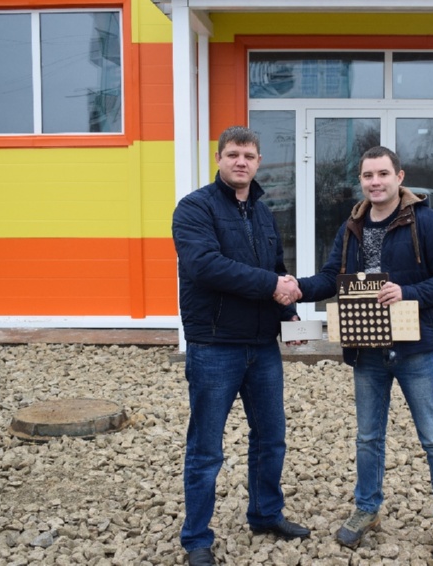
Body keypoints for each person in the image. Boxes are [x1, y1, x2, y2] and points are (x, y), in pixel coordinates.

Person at [292, 146, 433, 563]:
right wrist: (294, 288)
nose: (375, 182)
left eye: (383, 174)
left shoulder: (426, 221)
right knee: (368, 437)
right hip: (366, 349)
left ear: (399, 177)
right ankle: (367, 508)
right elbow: (330, 278)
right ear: (361, 180)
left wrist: (408, 292)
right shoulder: (351, 226)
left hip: (415, 349)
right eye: (368, 175)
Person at [171, 126, 309, 566]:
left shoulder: (264, 213)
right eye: (233, 154)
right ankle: (196, 538)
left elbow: (277, 268)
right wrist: (273, 286)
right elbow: (205, 266)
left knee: (270, 438)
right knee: (206, 448)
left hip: (262, 346)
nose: (241, 162)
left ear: (259, 161)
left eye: (249, 155)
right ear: (218, 158)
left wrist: (289, 312)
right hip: (215, 345)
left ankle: (266, 514)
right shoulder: (194, 208)